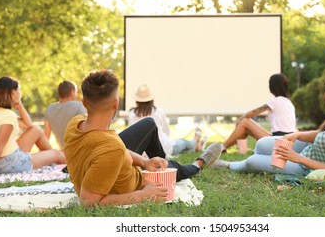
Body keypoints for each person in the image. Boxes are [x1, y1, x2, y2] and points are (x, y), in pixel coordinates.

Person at [63, 69, 222, 207]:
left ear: (84, 102)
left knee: (149, 124)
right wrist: (143, 195)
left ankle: (167, 164)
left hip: (109, 164)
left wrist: (145, 161)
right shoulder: (112, 149)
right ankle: (197, 165)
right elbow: (88, 201)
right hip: (130, 178)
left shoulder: (74, 123)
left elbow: (115, 150)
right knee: (171, 167)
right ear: (115, 104)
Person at [213, 71, 325, 177]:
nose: (324, 93)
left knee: (253, 161)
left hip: (304, 167)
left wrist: (297, 158)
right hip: (309, 150)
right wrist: (297, 134)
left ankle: (229, 165)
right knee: (261, 144)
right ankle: (261, 160)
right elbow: (321, 135)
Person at [0, 77, 66, 174]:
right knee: (56, 154)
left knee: (36, 130)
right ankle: (76, 162)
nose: (21, 94)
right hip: (11, 163)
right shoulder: (9, 116)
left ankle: (50, 159)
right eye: (19, 90)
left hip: (1, 163)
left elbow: (28, 125)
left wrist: (19, 104)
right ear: (13, 93)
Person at [220, 73, 297, 153]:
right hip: (288, 141)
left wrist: (238, 122)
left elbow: (249, 114)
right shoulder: (288, 102)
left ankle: (222, 147)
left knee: (244, 122)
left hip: (278, 141)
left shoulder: (274, 101)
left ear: (272, 86)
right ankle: (233, 149)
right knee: (245, 129)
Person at [128, 84, 206, 156]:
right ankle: (196, 140)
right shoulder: (159, 112)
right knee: (184, 143)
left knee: (185, 148)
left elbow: (132, 134)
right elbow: (166, 131)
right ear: (151, 99)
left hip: (142, 153)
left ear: (137, 100)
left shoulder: (131, 114)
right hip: (165, 148)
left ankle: (197, 146)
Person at [44, 80, 86, 150]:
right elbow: (84, 131)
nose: (77, 94)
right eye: (76, 91)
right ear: (72, 92)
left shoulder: (50, 109)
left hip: (62, 152)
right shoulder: (79, 106)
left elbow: (46, 135)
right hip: (78, 152)